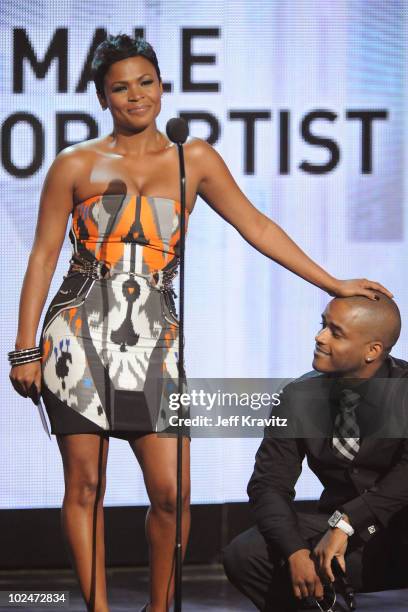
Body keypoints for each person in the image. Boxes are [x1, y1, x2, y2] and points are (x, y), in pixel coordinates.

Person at [8, 33, 393, 612]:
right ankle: (100, 609)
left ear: (162, 86)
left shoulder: (195, 159)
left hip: (155, 342)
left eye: (146, 82)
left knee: (172, 493)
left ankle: (159, 608)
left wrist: (332, 283)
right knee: (85, 487)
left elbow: (257, 227)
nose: (136, 95)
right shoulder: (75, 163)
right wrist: (23, 349)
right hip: (76, 339)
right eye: (120, 87)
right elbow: (42, 256)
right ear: (102, 97)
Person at [223, 293, 408, 611]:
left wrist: (349, 521)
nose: (319, 337)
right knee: (247, 553)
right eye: (323, 325)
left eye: (335, 332)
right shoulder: (298, 396)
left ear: (372, 351)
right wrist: (294, 551)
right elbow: (268, 486)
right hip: (343, 539)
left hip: (396, 533)